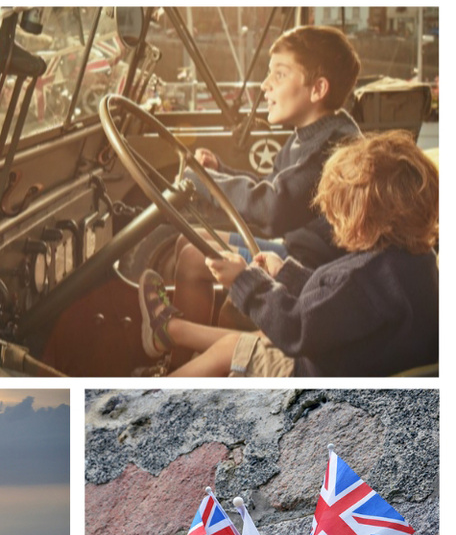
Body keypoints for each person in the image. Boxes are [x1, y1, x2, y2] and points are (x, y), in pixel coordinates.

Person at [137, 130, 438, 378]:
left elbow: (296, 328)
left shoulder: (360, 278)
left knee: (229, 351)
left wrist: (244, 280)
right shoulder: (414, 262)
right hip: (354, 368)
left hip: (317, 380)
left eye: (337, 214)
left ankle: (148, 407)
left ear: (364, 219)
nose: (332, 222)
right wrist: (285, 274)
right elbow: (334, 306)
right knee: (234, 344)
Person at [171, 26, 362, 356]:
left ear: (317, 89)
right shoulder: (308, 133)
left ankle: (185, 360)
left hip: (313, 268)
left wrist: (206, 183)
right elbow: (274, 185)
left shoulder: (335, 147)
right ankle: (194, 359)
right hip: (294, 250)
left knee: (191, 254)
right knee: (187, 243)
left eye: (280, 73)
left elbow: (274, 208)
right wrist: (220, 171)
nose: (265, 84)